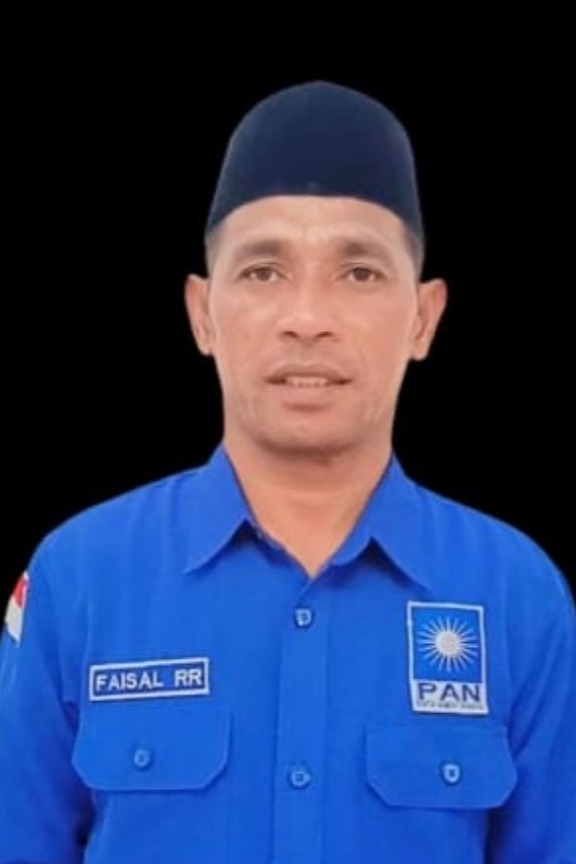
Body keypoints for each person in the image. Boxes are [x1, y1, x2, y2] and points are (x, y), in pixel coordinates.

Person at [0, 80, 574, 864]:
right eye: (264, 271)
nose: (308, 317)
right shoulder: (78, 578)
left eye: (359, 272)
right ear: (202, 312)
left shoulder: (518, 595)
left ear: (424, 317)